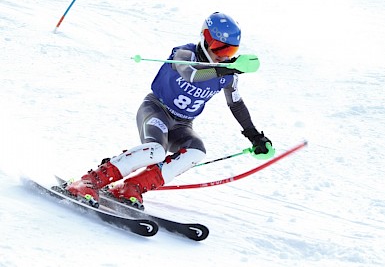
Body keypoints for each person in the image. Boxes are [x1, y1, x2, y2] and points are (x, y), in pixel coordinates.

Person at [66, 12, 273, 209]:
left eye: (230, 52)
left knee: (197, 150)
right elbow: (191, 75)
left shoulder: (229, 74)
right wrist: (229, 67)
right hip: (156, 110)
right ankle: (89, 181)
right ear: (205, 38)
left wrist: (254, 136)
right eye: (219, 49)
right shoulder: (184, 53)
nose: (223, 56)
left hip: (182, 124)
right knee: (156, 150)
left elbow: (235, 104)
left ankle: (131, 187)